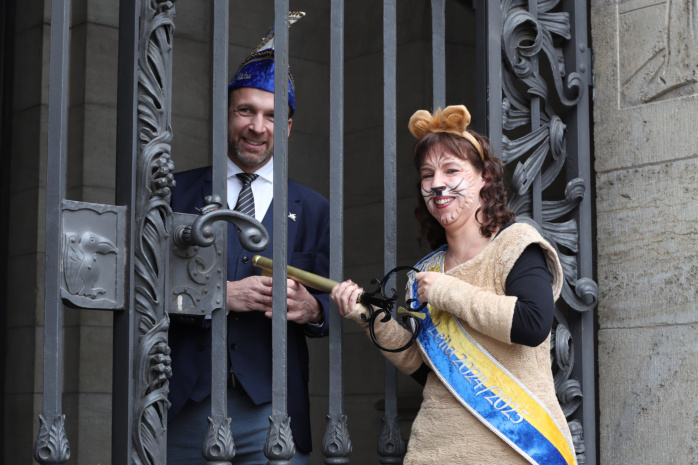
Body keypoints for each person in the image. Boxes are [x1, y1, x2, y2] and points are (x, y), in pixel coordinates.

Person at [331, 105, 577, 464]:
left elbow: (532, 323)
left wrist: (448, 291)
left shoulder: (515, 245)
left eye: (451, 170)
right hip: (436, 448)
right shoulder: (426, 270)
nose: (437, 183)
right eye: (427, 174)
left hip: (514, 449)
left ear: (484, 178)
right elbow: (427, 367)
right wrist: (370, 318)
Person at [167, 15, 330, 465]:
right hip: (183, 406)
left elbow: (333, 301)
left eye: (272, 116)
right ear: (227, 113)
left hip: (273, 411)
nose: (258, 126)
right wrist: (220, 294)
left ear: (289, 127)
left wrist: (312, 308)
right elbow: (145, 288)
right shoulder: (174, 193)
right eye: (246, 111)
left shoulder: (314, 207)